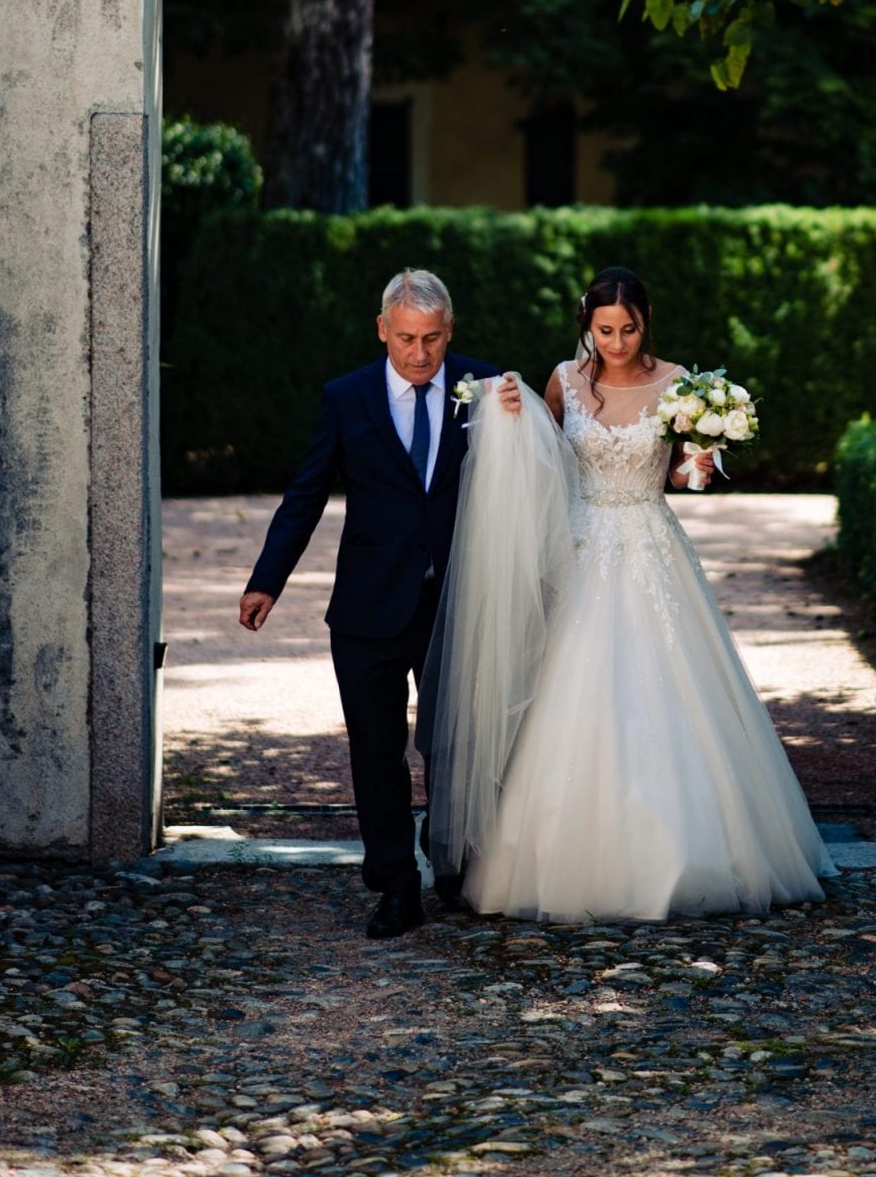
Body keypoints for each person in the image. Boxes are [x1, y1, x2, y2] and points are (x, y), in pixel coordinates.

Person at [424, 265, 835, 921]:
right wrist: (509, 416)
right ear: (588, 325)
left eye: (627, 328)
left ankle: (689, 856)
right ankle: (557, 856)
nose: (615, 342)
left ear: (646, 323)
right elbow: (545, 461)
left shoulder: (679, 385)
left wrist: (707, 440)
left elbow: (689, 480)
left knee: (669, 686)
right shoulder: (564, 379)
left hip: (650, 543)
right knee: (569, 688)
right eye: (604, 329)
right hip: (582, 546)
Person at [238, 268, 519, 940]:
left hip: (455, 600)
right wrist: (266, 580)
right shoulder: (347, 397)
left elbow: (527, 478)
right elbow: (305, 495)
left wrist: (516, 421)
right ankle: (395, 885)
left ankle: (454, 863)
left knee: (454, 744)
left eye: (431, 339)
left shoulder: (485, 388)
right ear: (381, 331)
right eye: (405, 340)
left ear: (449, 332)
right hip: (366, 607)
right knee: (375, 749)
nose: (419, 355)